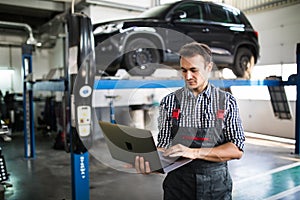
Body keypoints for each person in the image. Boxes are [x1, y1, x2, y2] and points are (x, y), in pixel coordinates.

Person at [135, 42, 245, 200]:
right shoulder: (170, 102)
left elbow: (237, 149)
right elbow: (164, 147)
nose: (188, 76)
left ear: (208, 68)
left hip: (215, 186)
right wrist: (152, 164)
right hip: (177, 186)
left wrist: (193, 152)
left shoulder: (226, 102)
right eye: (184, 70)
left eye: (194, 70)